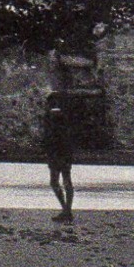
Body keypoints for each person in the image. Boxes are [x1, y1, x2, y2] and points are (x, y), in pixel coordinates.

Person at [43, 94, 75, 222]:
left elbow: (50, 136)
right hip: (66, 152)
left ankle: (66, 209)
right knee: (67, 180)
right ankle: (67, 210)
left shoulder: (50, 117)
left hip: (55, 153)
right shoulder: (65, 116)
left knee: (55, 182)